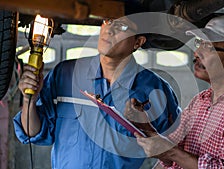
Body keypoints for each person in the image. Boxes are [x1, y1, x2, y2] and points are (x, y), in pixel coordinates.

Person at [13, 15, 181, 169]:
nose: (109, 29)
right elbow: (34, 132)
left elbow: (176, 154)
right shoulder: (65, 74)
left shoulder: (156, 89)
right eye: (107, 21)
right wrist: (30, 101)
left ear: (138, 42)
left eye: (122, 26)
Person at [131, 14, 224, 168]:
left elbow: (172, 153)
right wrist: (145, 127)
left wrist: (171, 153)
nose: (196, 53)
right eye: (199, 43)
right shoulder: (201, 101)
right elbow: (169, 151)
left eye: (208, 46)